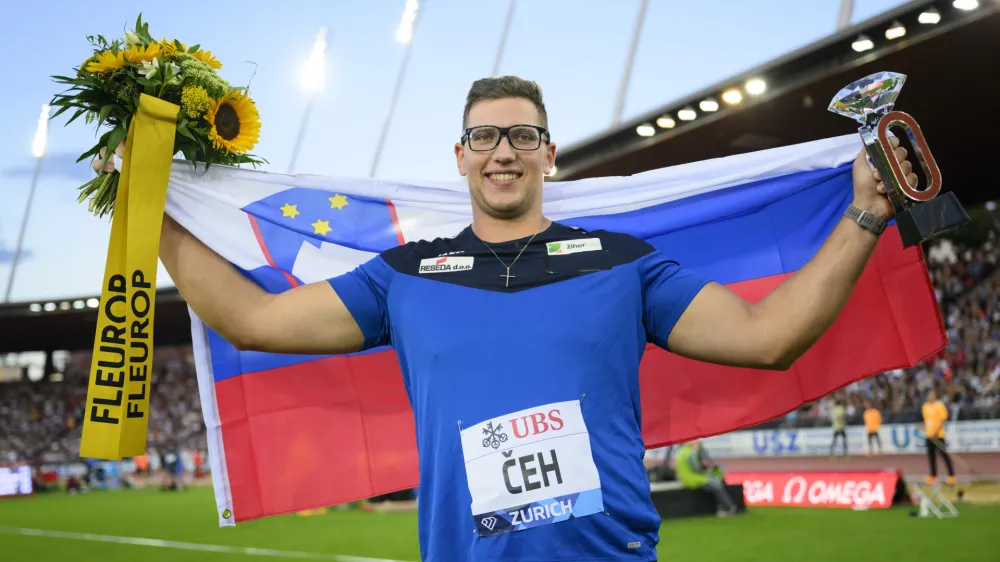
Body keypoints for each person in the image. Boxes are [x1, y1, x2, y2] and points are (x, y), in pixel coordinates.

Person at [96, 75, 914, 561]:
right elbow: (249, 318)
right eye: (485, 135)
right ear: (460, 158)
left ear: (549, 154)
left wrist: (866, 215)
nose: (504, 151)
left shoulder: (622, 262)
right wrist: (147, 214)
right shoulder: (403, 277)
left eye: (524, 135)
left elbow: (771, 338)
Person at [674, 440, 738, 517]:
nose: (697, 441)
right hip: (693, 479)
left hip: (686, 479)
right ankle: (728, 507)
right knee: (716, 484)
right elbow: (696, 468)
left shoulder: (681, 451)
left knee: (714, 482)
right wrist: (706, 467)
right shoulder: (690, 453)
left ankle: (723, 506)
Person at [922, 388, 956, 485]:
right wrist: (925, 428)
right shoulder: (925, 406)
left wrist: (935, 432)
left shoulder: (940, 405)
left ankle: (951, 476)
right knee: (931, 456)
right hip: (929, 436)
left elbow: (942, 420)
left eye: (932, 394)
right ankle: (933, 476)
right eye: (929, 394)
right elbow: (927, 420)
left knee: (944, 455)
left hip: (938, 435)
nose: (931, 396)